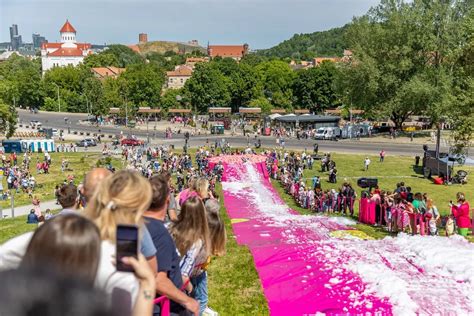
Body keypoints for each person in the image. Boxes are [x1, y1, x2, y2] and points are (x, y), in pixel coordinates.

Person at [144, 175, 199, 315]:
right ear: (168, 200)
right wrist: (187, 301)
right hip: (164, 306)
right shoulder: (160, 233)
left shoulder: (139, 224)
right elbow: (158, 279)